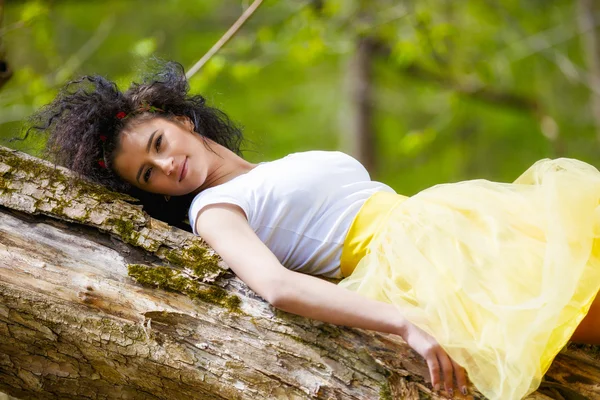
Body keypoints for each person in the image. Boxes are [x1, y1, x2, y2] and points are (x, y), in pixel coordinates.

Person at [27, 61, 600, 400]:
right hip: (424, 265)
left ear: (181, 121)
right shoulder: (213, 211)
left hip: (450, 221)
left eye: (159, 144)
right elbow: (277, 286)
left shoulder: (271, 171)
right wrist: (406, 324)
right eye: (147, 175)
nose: (165, 167)